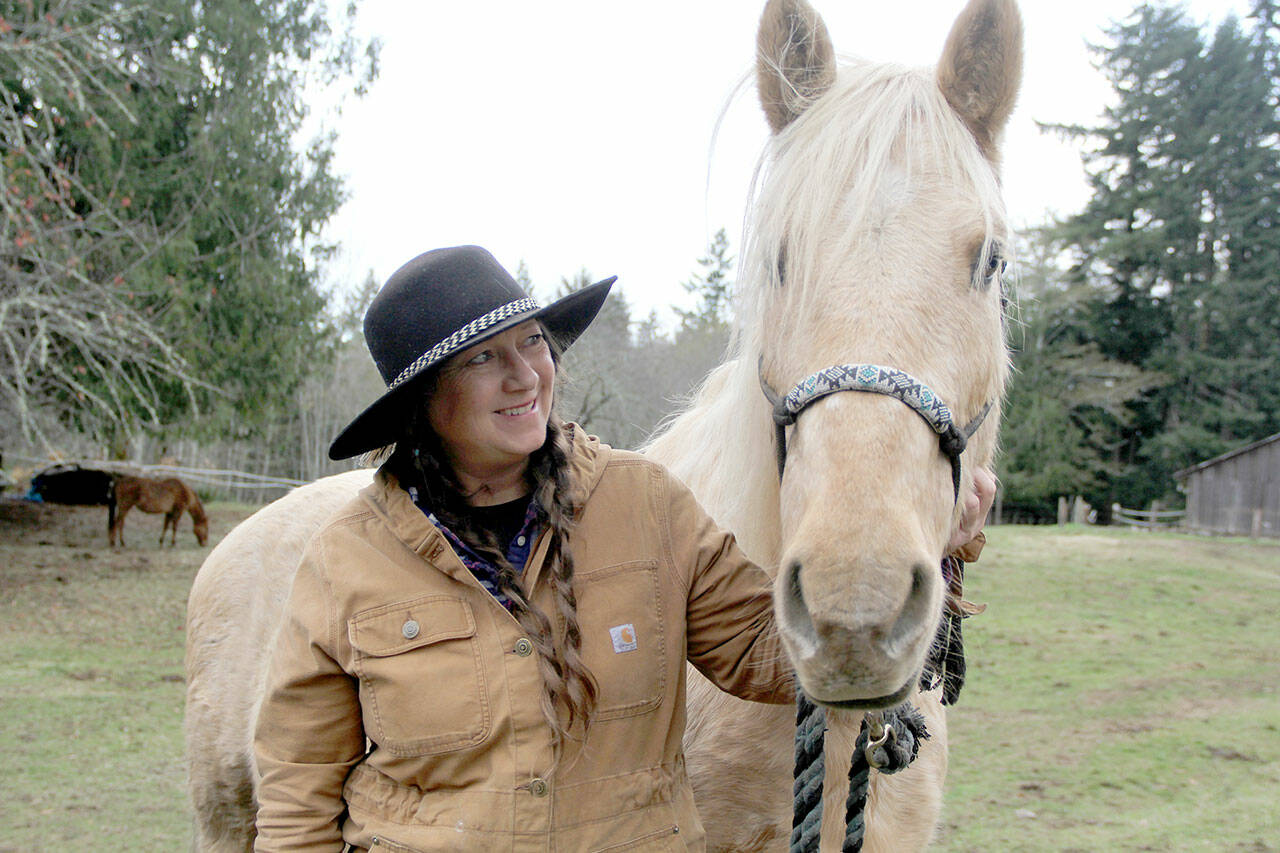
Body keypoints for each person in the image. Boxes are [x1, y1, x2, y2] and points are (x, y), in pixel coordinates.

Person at [252, 245, 995, 851]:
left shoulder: (647, 504)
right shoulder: (345, 561)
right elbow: (298, 792)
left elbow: (775, 652)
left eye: (533, 342)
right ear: (421, 401)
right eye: (482, 359)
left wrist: (929, 548)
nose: (525, 376)